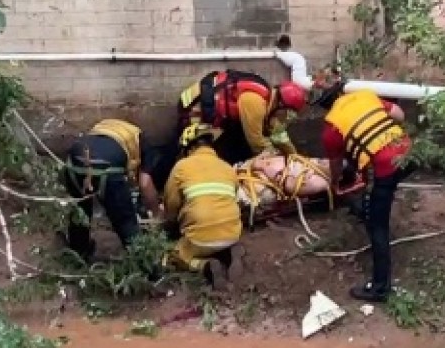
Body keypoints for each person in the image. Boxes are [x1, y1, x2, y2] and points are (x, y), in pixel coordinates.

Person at [315, 81, 417, 303]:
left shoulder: (331, 128)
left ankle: (380, 288)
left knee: (377, 226)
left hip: (384, 168)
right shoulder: (365, 96)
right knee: (372, 187)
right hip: (411, 156)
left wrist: (334, 185)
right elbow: (399, 114)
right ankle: (364, 208)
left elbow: (335, 164)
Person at [60, 118, 167, 265]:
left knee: (80, 211)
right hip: (106, 169)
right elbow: (145, 183)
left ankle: (78, 254)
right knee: (126, 222)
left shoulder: (104, 128)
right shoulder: (142, 142)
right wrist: (156, 214)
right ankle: (147, 268)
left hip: (73, 162)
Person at [162, 123, 244, 289]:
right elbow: (233, 198)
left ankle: (206, 266)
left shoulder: (181, 167)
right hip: (232, 232)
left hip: (199, 238)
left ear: (189, 149)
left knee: (173, 257)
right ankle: (230, 253)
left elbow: (171, 206)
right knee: (219, 236)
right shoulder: (227, 167)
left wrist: (170, 227)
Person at [175, 69, 308, 166]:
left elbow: (278, 134)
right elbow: (256, 144)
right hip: (194, 113)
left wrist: (295, 157)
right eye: (286, 113)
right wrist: (277, 157)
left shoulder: (269, 100)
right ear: (280, 105)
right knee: (205, 157)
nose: (285, 117)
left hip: (206, 107)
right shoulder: (254, 103)